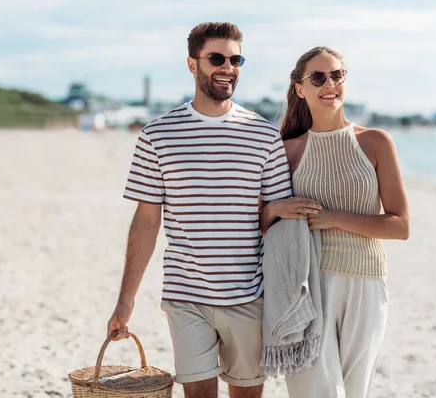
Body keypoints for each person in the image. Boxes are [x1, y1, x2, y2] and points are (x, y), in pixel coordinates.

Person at [106, 22, 316, 398]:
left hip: (250, 294)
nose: (227, 67)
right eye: (216, 58)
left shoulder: (263, 134)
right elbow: (146, 220)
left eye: (236, 60)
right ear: (192, 64)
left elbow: (277, 220)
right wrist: (126, 299)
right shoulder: (157, 135)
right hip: (185, 294)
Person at [260, 47, 410, 397]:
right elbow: (261, 220)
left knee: (356, 391)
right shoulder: (286, 150)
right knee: (314, 392)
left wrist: (333, 218)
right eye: (318, 77)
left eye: (337, 75)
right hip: (308, 282)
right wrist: (274, 210)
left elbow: (400, 225)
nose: (330, 84)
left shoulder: (374, 142)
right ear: (300, 88)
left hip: (366, 281)